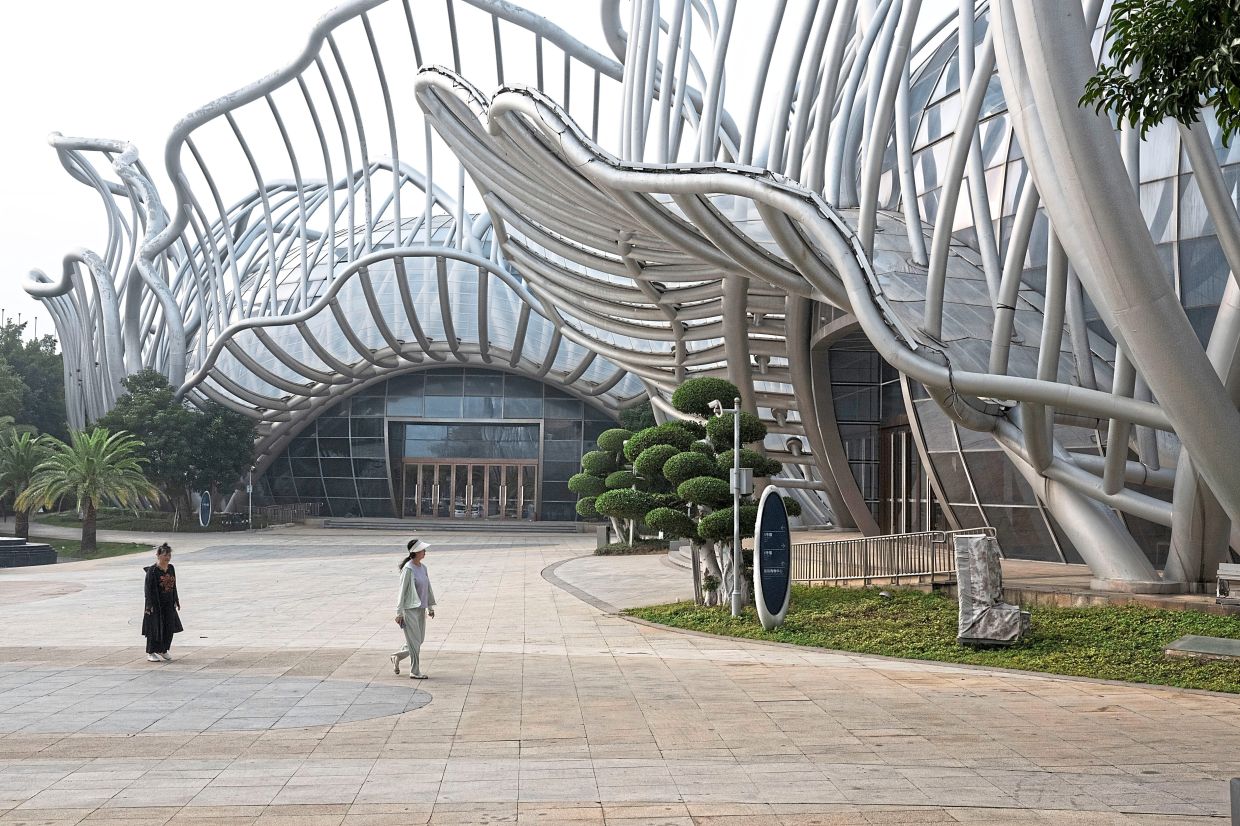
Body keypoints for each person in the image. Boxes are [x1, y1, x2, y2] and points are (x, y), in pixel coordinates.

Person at [391, 538, 436, 679]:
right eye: (422, 550)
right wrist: (399, 613)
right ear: (415, 552)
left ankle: (397, 657)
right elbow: (402, 592)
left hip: (420, 608)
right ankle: (415, 671)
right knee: (415, 641)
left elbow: (427, 588)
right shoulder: (408, 569)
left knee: (419, 639)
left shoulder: (423, 568)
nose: (425, 552)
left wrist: (430, 607)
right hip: (409, 610)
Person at [142, 543, 182, 662]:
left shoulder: (171, 568)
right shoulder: (153, 571)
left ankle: (163, 649)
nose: (168, 558)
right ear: (158, 555)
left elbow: (174, 585)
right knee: (155, 628)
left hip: (169, 603)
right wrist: (149, 606)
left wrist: (176, 599)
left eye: (169, 555)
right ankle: (151, 652)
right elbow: (148, 589)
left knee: (169, 627)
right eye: (165, 555)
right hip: (156, 604)